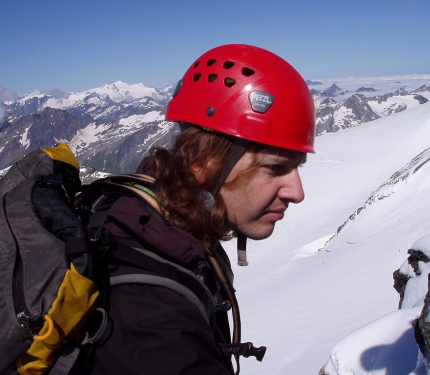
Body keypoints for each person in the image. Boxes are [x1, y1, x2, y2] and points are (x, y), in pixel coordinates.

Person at [79, 44, 315, 375]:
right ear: (202, 162)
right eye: (275, 168)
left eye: (297, 167)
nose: (297, 192)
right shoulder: (158, 326)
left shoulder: (156, 220)